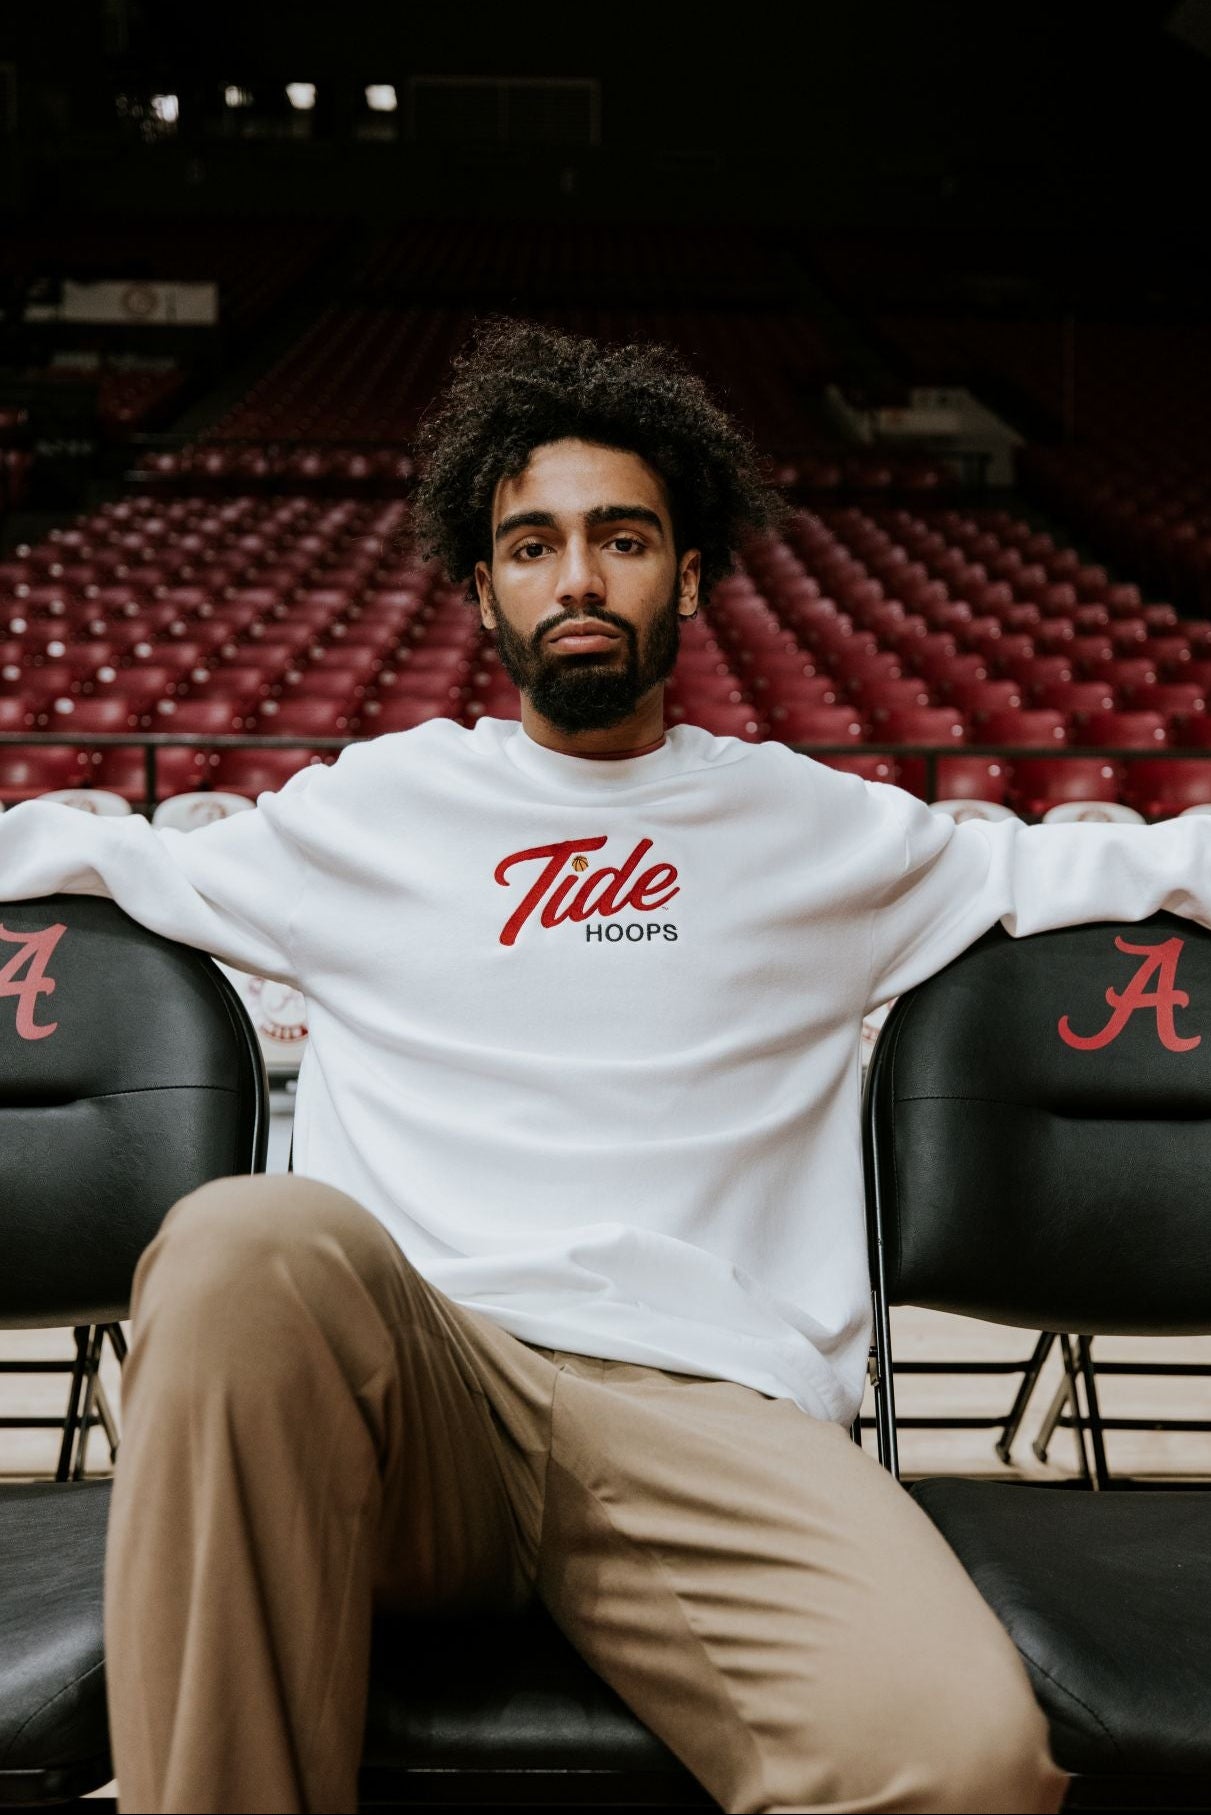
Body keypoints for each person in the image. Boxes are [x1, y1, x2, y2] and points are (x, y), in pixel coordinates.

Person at [8, 319, 1206, 1815]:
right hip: (420, 1389)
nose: (577, 577)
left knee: (959, 1763)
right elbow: (88, 854)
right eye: (532, 544)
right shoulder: (373, 811)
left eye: (622, 537)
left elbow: (1111, 872)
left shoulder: (817, 826)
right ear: (484, 583)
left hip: (715, 1411)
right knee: (244, 1242)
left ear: (689, 573)